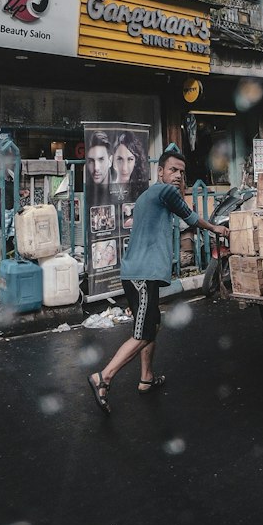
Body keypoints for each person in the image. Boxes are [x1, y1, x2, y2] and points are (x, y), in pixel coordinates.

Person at [87, 144, 228, 415]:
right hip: (141, 275)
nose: (178, 176)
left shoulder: (150, 195)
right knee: (143, 332)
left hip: (140, 274)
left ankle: (146, 378)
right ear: (160, 172)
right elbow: (190, 217)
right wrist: (215, 227)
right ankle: (103, 377)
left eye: (182, 172)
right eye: (172, 170)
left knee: (154, 324)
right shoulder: (164, 191)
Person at [111, 129, 149, 202]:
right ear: (112, 160)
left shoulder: (142, 189)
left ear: (136, 161)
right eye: (120, 159)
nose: (124, 168)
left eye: (130, 159)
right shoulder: (105, 189)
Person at [85, 131, 113, 207]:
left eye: (101, 159)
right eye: (91, 161)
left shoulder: (120, 187)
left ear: (110, 161)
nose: (96, 168)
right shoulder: (86, 192)